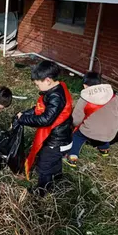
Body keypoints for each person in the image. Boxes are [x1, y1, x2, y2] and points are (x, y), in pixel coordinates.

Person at [17, 61, 73, 197]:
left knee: (44, 165)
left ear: (47, 80)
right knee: (54, 159)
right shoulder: (55, 89)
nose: (37, 86)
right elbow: (39, 110)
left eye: (37, 84)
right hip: (62, 137)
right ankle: (57, 176)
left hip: (56, 141)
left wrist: (23, 119)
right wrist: (25, 114)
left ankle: (42, 190)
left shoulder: (56, 97)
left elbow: (45, 119)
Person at [64, 72, 118, 167]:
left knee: (77, 136)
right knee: (103, 133)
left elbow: (76, 120)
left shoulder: (84, 99)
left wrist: (73, 125)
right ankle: (104, 149)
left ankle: (72, 158)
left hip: (92, 132)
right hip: (111, 132)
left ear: (85, 85)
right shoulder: (112, 95)